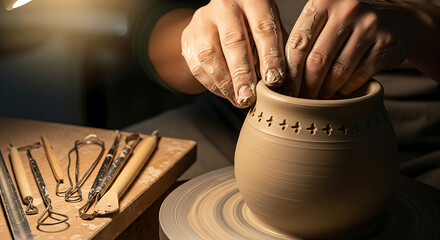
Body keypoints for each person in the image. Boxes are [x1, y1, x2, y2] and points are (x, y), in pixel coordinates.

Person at [127, 0, 440, 187]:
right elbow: (149, 28)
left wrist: (418, 26)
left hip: (413, 145)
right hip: (240, 122)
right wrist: (200, 45)